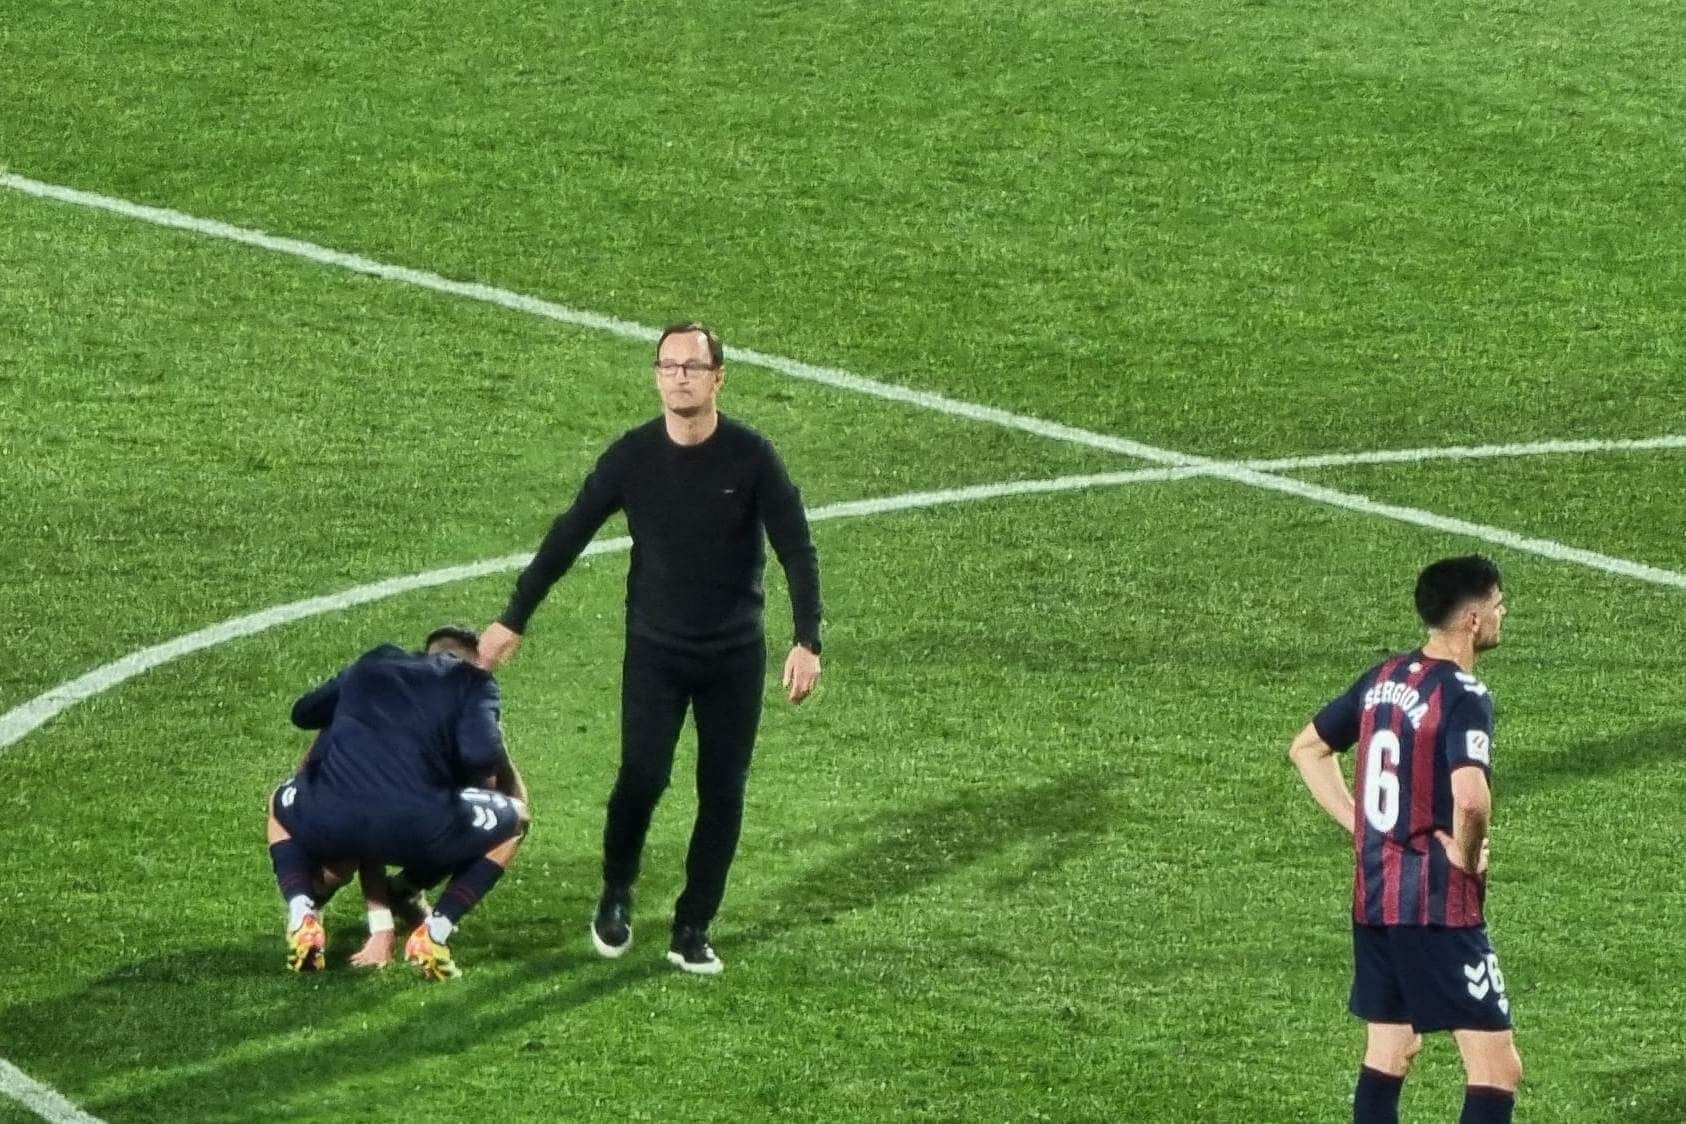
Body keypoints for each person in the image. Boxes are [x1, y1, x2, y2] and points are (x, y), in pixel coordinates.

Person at [477, 322, 823, 975]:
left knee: (723, 790)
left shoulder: (751, 457)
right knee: (642, 776)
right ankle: (616, 889)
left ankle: (693, 925)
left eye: (693, 367)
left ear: (719, 377)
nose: (679, 377)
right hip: (657, 651)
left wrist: (807, 639)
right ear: (657, 376)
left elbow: (797, 550)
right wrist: (513, 617)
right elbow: (568, 534)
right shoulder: (632, 458)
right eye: (669, 366)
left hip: (733, 656)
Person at [1288, 556, 1522, 1124]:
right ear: (1471, 619)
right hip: (1436, 907)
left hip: (1373, 899)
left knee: (1391, 1049)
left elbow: (1307, 749)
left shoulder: (1382, 678)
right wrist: (1465, 858)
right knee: (1496, 1069)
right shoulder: (1464, 694)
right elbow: (1470, 798)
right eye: (1496, 603)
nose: (1502, 612)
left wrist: (1362, 823)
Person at [265, 626, 530, 981]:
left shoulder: (374, 663)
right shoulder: (472, 683)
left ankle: (303, 911)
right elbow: (483, 761)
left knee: (281, 806)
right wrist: (496, 742)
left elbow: (304, 713)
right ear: (467, 661)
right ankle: (435, 932)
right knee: (513, 820)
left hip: (332, 818)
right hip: (419, 827)